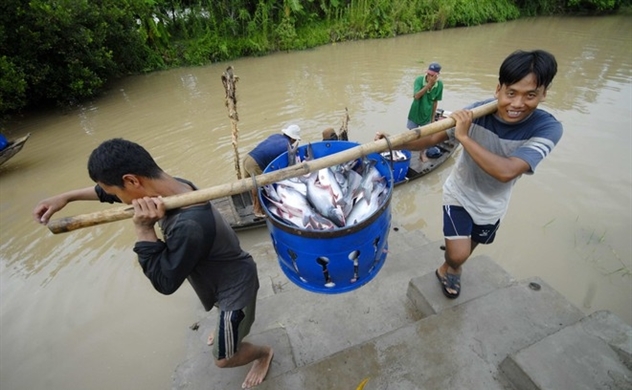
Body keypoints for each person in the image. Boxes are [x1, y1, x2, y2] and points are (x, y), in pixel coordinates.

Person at [32, 139, 273, 389]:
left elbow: (164, 282)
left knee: (224, 358)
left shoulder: (189, 225)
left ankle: (263, 353)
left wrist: (144, 228)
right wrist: (66, 197)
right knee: (221, 316)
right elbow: (105, 191)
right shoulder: (172, 184)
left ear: (132, 180)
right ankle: (227, 324)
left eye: (117, 193)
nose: (121, 201)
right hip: (215, 275)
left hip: (235, 287)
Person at [377, 49, 562, 299]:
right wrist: (392, 142)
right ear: (498, 89)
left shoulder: (547, 128)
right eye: (511, 93)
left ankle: (452, 268)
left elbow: (506, 172)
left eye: (530, 95)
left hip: (494, 203)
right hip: (460, 193)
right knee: (458, 253)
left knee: (472, 243)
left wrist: (463, 136)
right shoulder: (476, 112)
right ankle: (450, 266)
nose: (518, 104)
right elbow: (431, 137)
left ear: (543, 94)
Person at [243, 124, 301, 217]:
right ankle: (259, 211)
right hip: (255, 164)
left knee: (251, 186)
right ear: (293, 139)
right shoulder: (287, 146)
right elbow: (285, 165)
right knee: (261, 187)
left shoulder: (275, 136)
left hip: (247, 158)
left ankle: (255, 207)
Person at [407, 62, 444, 161]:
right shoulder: (419, 80)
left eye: (432, 75)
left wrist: (432, 117)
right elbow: (416, 96)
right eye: (428, 74)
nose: (429, 76)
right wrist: (428, 85)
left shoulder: (439, 85)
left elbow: (435, 101)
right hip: (415, 112)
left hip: (427, 114)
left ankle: (422, 154)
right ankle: (408, 153)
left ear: (437, 75)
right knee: (411, 135)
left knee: (425, 136)